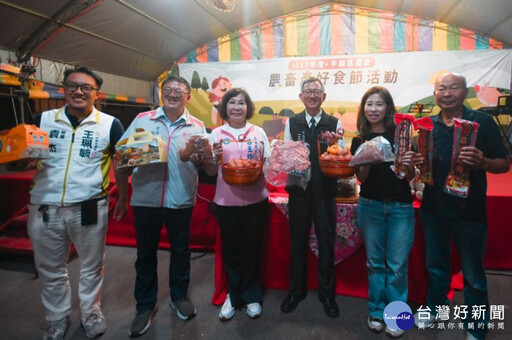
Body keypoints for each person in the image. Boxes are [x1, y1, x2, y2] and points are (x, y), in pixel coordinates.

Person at [8, 65, 128, 340]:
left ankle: (90, 312)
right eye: (72, 86)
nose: (79, 92)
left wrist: (122, 197)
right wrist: (19, 160)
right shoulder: (42, 120)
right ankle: (57, 317)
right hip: (45, 206)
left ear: (97, 94)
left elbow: (121, 163)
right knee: (50, 267)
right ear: (63, 90)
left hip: (89, 205)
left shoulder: (110, 124)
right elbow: (25, 159)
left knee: (92, 264)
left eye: (86, 88)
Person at [413, 72, 509, 340]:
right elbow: (420, 167)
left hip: (470, 213)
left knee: (473, 275)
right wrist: (413, 162)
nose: (446, 93)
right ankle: (435, 308)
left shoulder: (483, 122)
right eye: (441, 88)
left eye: (453, 88)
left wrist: (484, 163)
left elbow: (504, 164)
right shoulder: (426, 126)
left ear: (465, 92)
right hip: (432, 210)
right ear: (435, 94)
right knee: (436, 267)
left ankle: (476, 328)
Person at [119, 76, 208, 337]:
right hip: (146, 198)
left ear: (188, 97)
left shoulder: (197, 125)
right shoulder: (142, 120)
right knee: (145, 254)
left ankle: (179, 296)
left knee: (181, 251)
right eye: (167, 90)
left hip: (180, 198)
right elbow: (122, 157)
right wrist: (124, 197)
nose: (172, 94)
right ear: (161, 94)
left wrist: (203, 157)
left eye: (178, 91)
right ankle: (145, 305)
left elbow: (203, 161)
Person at [350, 86, 415, 338]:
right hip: (371, 206)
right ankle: (376, 310)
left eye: (379, 104)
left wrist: (408, 165)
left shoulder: (402, 134)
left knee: (397, 265)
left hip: (400, 206)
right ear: (363, 109)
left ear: (388, 108)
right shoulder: (359, 139)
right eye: (369, 104)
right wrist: (366, 158)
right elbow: (362, 180)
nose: (373, 109)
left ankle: (397, 314)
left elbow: (409, 176)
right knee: (375, 263)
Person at [280, 77, 343, 317]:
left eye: (317, 91)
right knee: (297, 242)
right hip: (298, 192)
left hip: (325, 192)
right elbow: (286, 153)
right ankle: (296, 291)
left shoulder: (333, 122)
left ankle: (327, 295)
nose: (312, 95)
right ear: (301, 97)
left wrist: (335, 147)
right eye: (308, 91)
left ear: (324, 96)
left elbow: (340, 156)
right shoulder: (292, 122)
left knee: (327, 244)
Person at [207, 88, 271, 321]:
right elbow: (211, 170)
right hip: (226, 201)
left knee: (253, 248)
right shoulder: (215, 134)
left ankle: (252, 295)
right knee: (231, 250)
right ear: (225, 107)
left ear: (248, 108)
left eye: (241, 103)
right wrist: (211, 159)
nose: (236, 107)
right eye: (232, 102)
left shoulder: (258, 132)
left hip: (256, 199)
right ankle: (233, 296)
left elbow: (268, 162)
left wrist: (263, 169)